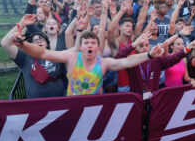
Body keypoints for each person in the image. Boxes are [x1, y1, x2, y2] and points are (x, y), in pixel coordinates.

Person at [12, 30, 165, 96]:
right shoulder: (71, 57)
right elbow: (43, 53)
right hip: (74, 105)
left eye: (93, 43)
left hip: (95, 106)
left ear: (98, 47)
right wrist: (22, 44)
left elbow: (126, 61)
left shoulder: (103, 63)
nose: (90, 45)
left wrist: (149, 54)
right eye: (86, 43)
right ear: (81, 46)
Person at [1, 15, 66, 98]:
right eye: (35, 40)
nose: (38, 41)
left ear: (47, 43)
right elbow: (5, 44)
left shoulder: (55, 54)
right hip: (35, 104)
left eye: (41, 39)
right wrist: (22, 24)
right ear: (31, 45)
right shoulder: (24, 57)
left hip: (58, 102)